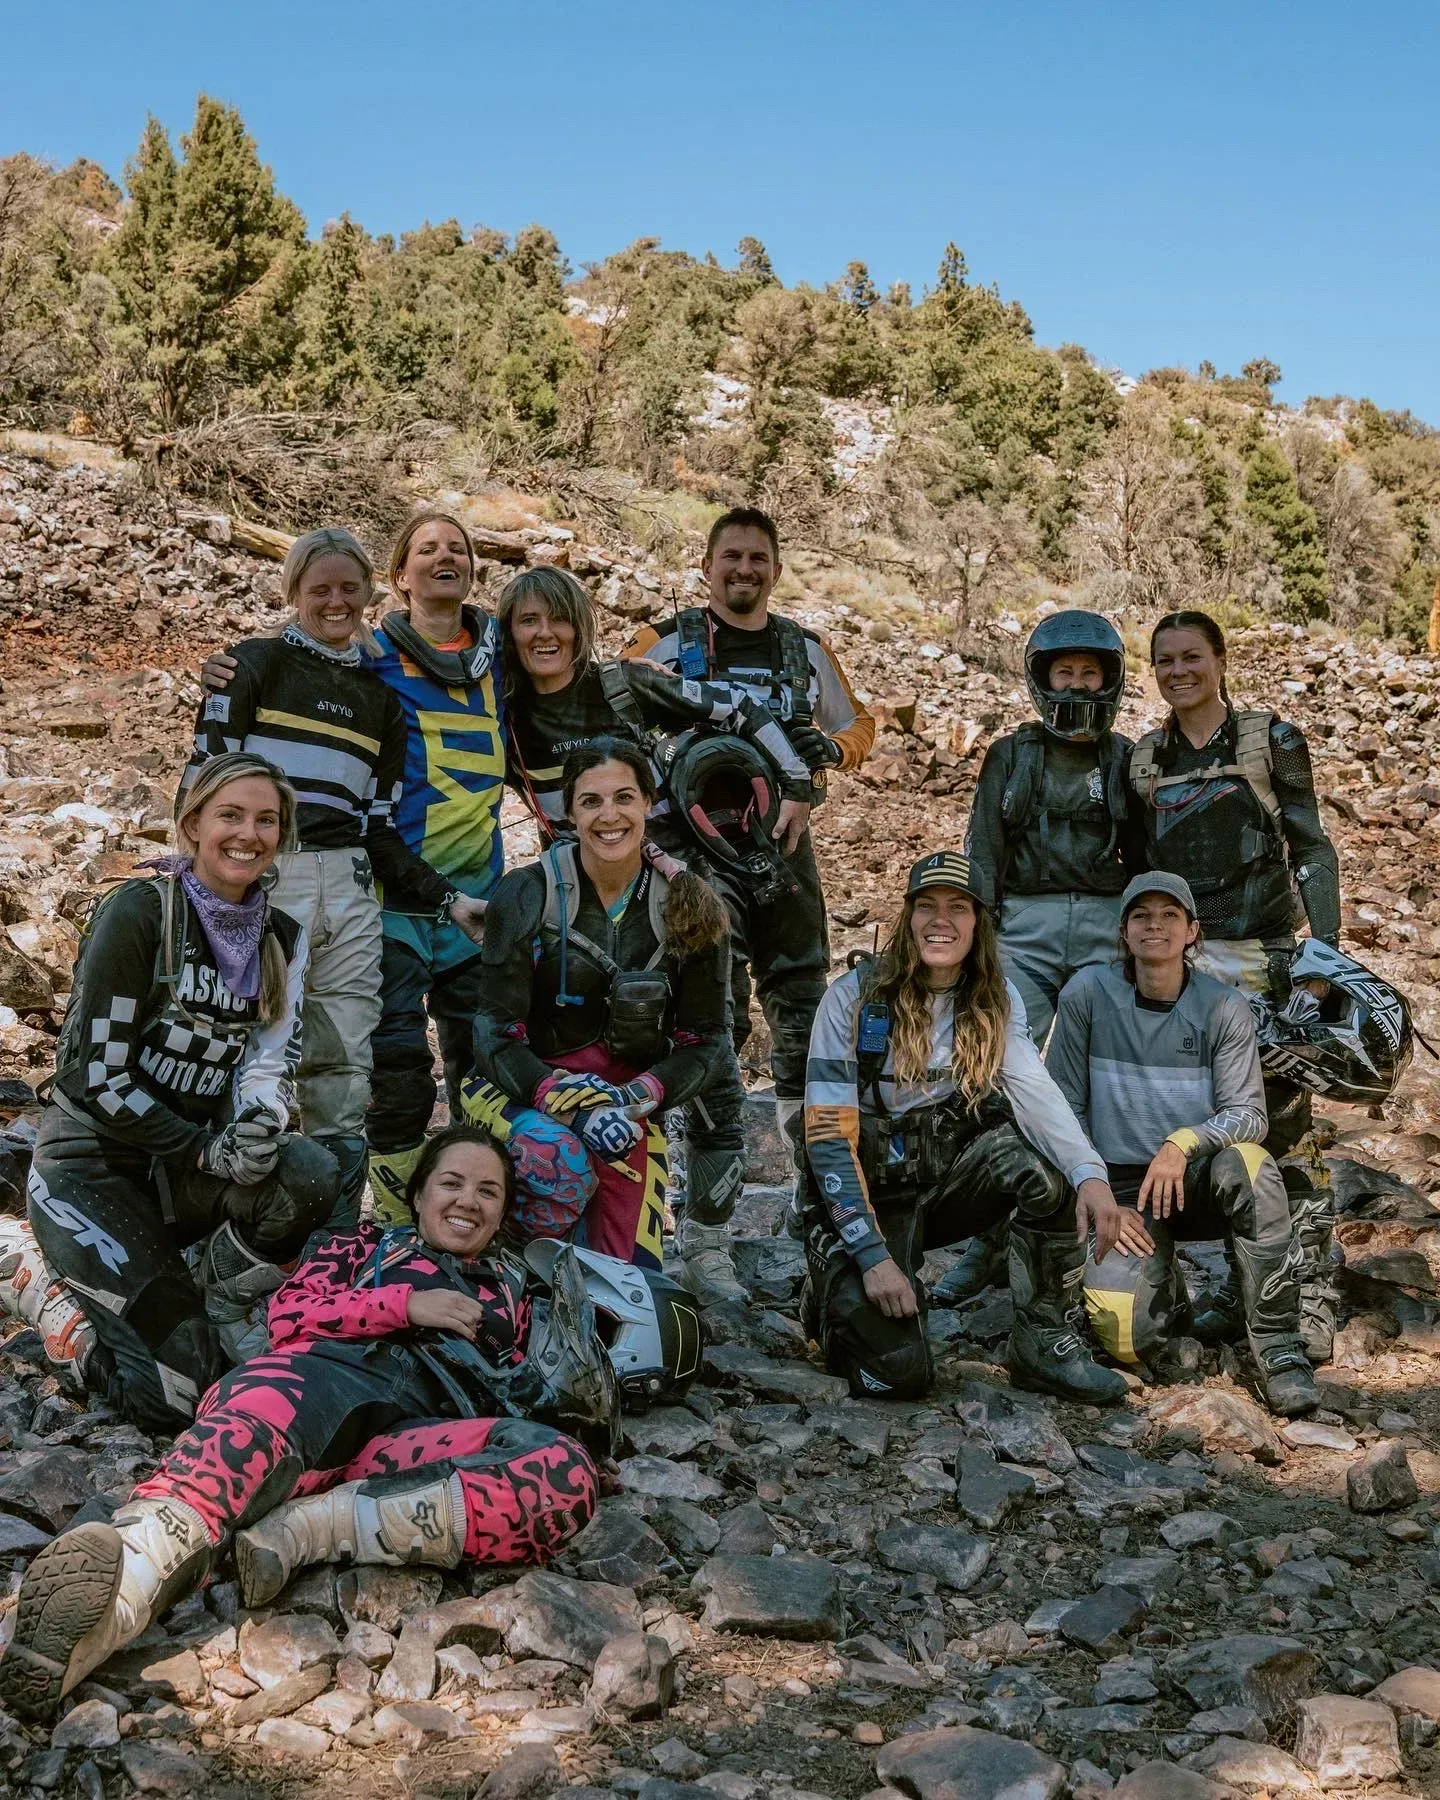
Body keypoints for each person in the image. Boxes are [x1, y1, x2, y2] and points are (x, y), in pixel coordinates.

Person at [0, 1128, 599, 1723]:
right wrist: (405, 1306)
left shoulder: (518, 1289)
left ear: (502, 1213)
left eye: (488, 1191)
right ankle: (115, 1593)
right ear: (417, 1195)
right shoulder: (360, 1245)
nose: (469, 1200)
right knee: (248, 1433)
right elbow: (291, 1315)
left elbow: (549, 1393)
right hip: (320, 1381)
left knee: (565, 1475)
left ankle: (307, 1531)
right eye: (452, 1182)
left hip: (416, 1438)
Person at [497, 563, 812, 1301]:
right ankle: (569, 1224)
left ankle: (704, 1242)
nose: (545, 634)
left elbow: (736, 707)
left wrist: (795, 783)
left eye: (558, 618)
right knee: (576, 1061)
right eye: (527, 622)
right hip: (573, 912)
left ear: (580, 624)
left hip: (675, 901)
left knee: (711, 1065)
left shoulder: (624, 685)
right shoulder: (505, 715)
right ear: (510, 635)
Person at [0, 755, 339, 1433]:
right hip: (92, 1169)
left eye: (266, 820)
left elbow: (269, 1065)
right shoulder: (140, 912)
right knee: (176, 1399)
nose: (249, 833)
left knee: (310, 1173)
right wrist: (206, 1152)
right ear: (192, 825)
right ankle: (39, 1283)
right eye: (231, 816)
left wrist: (256, 1128)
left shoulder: (283, 936)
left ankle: (205, 1297)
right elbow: (89, 1077)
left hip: (184, 1172)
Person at [186, 527, 486, 1226]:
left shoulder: (378, 699)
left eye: (349, 588)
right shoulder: (251, 666)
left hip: (350, 882)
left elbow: (378, 827)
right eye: (319, 588)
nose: (335, 602)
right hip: (268, 872)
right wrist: (199, 883)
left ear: (370, 593)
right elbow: (202, 783)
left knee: (347, 1055)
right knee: (258, 1045)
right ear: (292, 592)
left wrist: (449, 901)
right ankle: (230, 1218)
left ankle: (329, 1227)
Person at [801, 850, 1151, 1403]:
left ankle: (1042, 1343)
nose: (941, 920)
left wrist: (1091, 1175)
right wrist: (872, 1257)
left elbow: (1036, 1093)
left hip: (941, 1182)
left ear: (979, 923)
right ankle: (829, 1288)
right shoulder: (851, 997)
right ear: (907, 917)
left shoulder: (997, 999)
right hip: (869, 1196)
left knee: (1046, 1168)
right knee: (898, 1376)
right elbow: (825, 1137)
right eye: (927, 906)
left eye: (958, 907)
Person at [622, 507, 875, 1256]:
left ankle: (812, 1193)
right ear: (706, 566)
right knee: (710, 1010)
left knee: (801, 998)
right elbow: (614, 698)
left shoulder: (806, 649)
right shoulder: (664, 641)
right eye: (730, 556)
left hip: (784, 842)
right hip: (695, 852)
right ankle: (696, 1217)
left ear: (775, 568)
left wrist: (826, 751)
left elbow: (860, 726)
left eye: (757, 558)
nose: (744, 569)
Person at [1129, 609, 1343, 1360]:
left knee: (1285, 1123)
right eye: (1164, 661)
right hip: (1181, 965)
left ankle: (1310, 1291)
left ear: (1220, 659)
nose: (1179, 671)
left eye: (1192, 656)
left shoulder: (1270, 740)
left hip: (1264, 952)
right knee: (1210, 1123)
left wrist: (1324, 958)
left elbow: (1312, 845)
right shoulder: (1144, 759)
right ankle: (1235, 1279)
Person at [1049, 872, 1320, 1417]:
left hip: (1193, 1176)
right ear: (1123, 932)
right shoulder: (1086, 994)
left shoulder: (1224, 1007)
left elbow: (1249, 1115)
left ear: (1193, 931)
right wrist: (1094, 1185)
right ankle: (1165, 1292)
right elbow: (1061, 1107)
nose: (1156, 925)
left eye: (1170, 915)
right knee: (1123, 1336)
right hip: (1122, 1190)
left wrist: (1183, 1142)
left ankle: (1276, 1342)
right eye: (1142, 916)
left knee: (1250, 1164)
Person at [942, 609, 1143, 1304]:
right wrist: (978, 938)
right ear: (1040, 678)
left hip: (1103, 927)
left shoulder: (1126, 759)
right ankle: (987, 1242)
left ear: (1112, 680)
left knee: (1081, 1083)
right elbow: (983, 851)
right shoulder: (1011, 754)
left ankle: (1082, 1238)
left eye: (1091, 673)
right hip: (1019, 926)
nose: (1078, 685)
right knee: (1001, 1072)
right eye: (1065, 672)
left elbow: (1146, 860)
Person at [469, 740, 730, 1272]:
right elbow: (494, 1033)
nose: (608, 816)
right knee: (556, 1159)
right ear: (569, 811)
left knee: (632, 1278)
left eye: (624, 798)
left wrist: (639, 1096)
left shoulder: (691, 900)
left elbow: (706, 1039)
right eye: (591, 802)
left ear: (648, 804)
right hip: (518, 1086)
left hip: (627, 1104)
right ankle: (511, 1275)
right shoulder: (525, 894)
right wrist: (564, 1099)